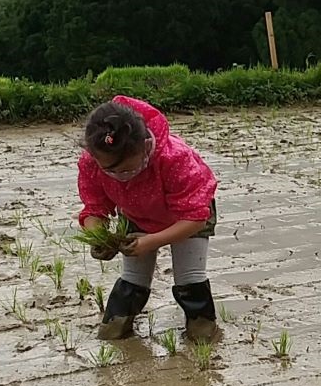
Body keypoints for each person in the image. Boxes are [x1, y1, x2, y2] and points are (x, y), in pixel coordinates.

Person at [77, 96, 220, 341]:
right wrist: (98, 236)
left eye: (127, 170)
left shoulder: (174, 159)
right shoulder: (91, 164)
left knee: (189, 279)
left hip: (187, 216)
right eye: (110, 171)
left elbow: (195, 218)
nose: (121, 177)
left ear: (144, 147)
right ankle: (116, 327)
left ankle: (203, 329)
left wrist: (150, 242)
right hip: (136, 214)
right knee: (133, 280)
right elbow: (94, 208)